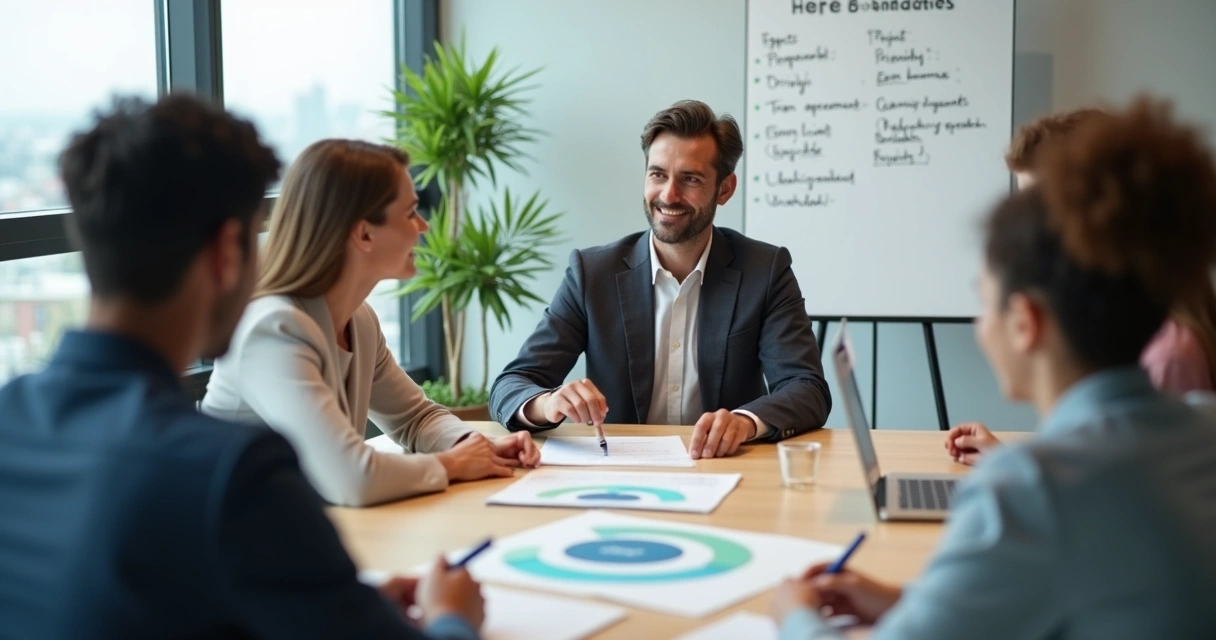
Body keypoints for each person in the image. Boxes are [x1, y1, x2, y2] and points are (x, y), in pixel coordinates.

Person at [0, 94, 486, 639]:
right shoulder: (233, 473)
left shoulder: (9, 418)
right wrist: (451, 618)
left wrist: (337, 601)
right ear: (228, 249)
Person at [772, 96, 1216, 638]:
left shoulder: (1030, 491)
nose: (981, 325)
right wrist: (908, 602)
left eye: (983, 300)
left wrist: (792, 614)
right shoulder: (1203, 423)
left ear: (1025, 322)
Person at [201, 139, 539, 507]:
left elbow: (414, 417)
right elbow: (351, 478)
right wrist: (454, 464)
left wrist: (474, 446)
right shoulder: (271, 329)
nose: (423, 226)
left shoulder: (359, 319)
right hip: (225, 545)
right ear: (363, 233)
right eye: (411, 213)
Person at [488, 100, 831, 460]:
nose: (668, 195)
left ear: (725, 189)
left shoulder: (765, 269)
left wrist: (745, 421)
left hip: (724, 468)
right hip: (619, 472)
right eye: (658, 174)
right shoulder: (592, 273)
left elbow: (806, 388)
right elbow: (510, 386)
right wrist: (549, 402)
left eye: (691, 179)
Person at [947, 106, 1216, 464]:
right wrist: (1010, 459)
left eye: (1039, 210)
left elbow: (1138, 492)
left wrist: (1020, 477)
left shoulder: (1166, 357)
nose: (1026, 231)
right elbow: (1103, 466)